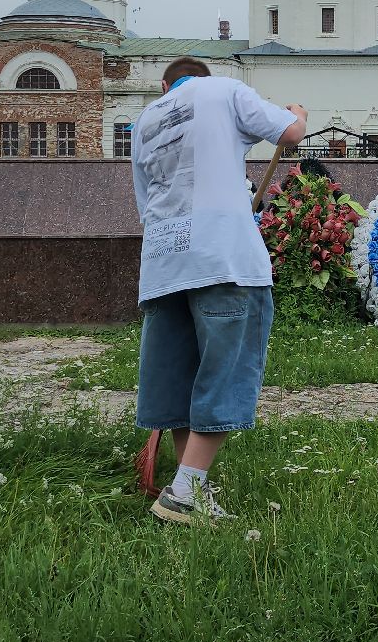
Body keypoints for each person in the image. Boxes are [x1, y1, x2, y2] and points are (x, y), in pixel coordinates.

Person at [131, 56, 307, 524]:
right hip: (223, 259)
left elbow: (146, 204)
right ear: (201, 78)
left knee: (182, 378)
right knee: (225, 372)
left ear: (165, 86)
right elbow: (289, 134)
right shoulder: (223, 90)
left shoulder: (144, 121)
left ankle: (190, 488)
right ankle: (184, 493)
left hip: (164, 261)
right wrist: (297, 113)